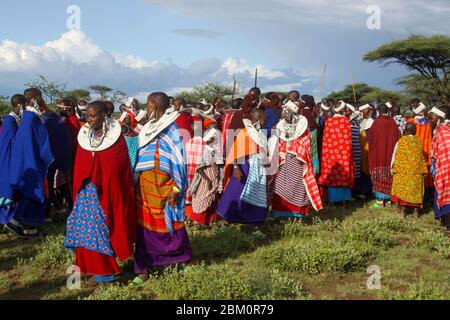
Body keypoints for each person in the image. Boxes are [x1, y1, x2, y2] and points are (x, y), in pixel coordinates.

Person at [64, 101, 136, 285]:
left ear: (105, 115)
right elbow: (80, 167)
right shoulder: (85, 137)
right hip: (86, 195)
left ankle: (106, 275)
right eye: (87, 116)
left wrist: (105, 184)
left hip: (107, 196)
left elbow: (118, 170)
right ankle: (87, 267)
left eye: (93, 115)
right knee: (83, 229)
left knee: (101, 230)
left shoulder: (116, 139)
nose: (89, 120)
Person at [133, 92, 192, 285]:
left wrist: (176, 189)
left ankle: (185, 260)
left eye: (149, 106)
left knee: (171, 225)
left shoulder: (171, 130)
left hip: (166, 188)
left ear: (156, 107)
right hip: (145, 187)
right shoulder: (148, 129)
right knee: (144, 227)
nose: (147, 110)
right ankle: (143, 267)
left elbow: (178, 161)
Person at [5, 89, 54, 237]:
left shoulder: (27, 117)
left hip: (27, 161)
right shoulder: (32, 118)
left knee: (31, 193)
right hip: (32, 162)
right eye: (40, 97)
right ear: (35, 99)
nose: (42, 100)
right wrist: (47, 157)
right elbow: (42, 140)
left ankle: (30, 227)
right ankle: (16, 222)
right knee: (34, 193)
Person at [217, 109, 268, 236]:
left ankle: (257, 226)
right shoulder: (245, 133)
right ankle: (226, 223)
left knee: (257, 195)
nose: (264, 121)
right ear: (255, 120)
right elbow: (235, 152)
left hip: (258, 168)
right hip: (243, 167)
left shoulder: (261, 134)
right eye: (262, 119)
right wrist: (235, 168)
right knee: (234, 193)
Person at [271, 101, 323, 218]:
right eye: (284, 113)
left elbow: (306, 146)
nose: (284, 115)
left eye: (287, 112)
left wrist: (297, 153)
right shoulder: (281, 125)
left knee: (298, 187)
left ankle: (296, 213)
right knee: (279, 185)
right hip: (284, 161)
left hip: (298, 161)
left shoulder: (303, 129)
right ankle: (280, 213)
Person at [186, 119, 223, 226]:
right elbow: (203, 165)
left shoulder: (186, 144)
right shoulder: (206, 145)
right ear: (202, 132)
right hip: (203, 177)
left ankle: (193, 220)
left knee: (196, 198)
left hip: (191, 176)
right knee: (203, 198)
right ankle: (200, 221)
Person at [318, 100, 354, 207]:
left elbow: (325, 141)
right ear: (343, 110)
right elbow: (349, 141)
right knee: (343, 174)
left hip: (331, 155)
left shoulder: (328, 122)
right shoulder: (346, 121)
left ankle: (333, 201)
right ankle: (344, 202)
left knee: (332, 175)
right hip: (344, 155)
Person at [391, 123, 428, 217]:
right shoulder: (418, 141)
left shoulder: (400, 141)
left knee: (403, 189)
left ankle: (402, 212)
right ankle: (416, 212)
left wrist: (392, 167)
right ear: (415, 131)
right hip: (416, 172)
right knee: (415, 190)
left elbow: (394, 155)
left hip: (403, 172)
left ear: (405, 131)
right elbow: (421, 157)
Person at [368, 104, 400, 208]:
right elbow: (397, 137)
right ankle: (389, 199)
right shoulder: (392, 122)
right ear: (387, 111)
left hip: (378, 154)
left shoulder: (376, 122)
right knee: (389, 173)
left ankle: (380, 200)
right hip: (390, 153)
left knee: (379, 173)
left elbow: (371, 139)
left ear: (378, 111)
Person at [0, 95, 25, 226]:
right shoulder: (10, 121)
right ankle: (6, 218)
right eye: (25, 105)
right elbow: (13, 143)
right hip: (7, 159)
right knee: (7, 187)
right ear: (20, 106)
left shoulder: (13, 120)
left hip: (9, 158)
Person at [430, 105, 450, 230]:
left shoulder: (442, 131)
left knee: (445, 194)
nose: (431, 118)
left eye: (433, 116)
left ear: (440, 117)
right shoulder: (446, 129)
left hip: (445, 169)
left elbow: (435, 153)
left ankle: (446, 223)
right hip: (445, 167)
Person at [345, 103, 363, 198]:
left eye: (347, 110)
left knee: (356, 171)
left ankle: (355, 192)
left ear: (351, 111)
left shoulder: (353, 122)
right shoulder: (348, 120)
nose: (345, 111)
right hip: (352, 148)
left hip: (355, 148)